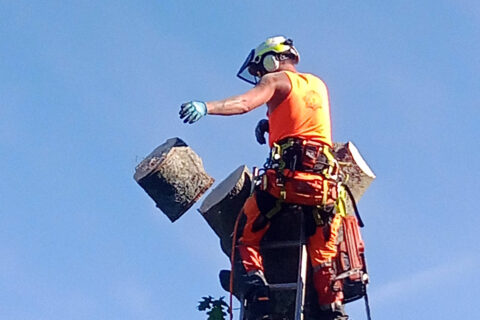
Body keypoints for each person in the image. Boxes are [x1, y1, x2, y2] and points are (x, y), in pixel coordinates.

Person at [180, 36, 348, 320]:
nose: (260, 76)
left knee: (244, 237)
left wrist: (206, 106)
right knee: (323, 257)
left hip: (288, 182)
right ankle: (334, 310)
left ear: (272, 59)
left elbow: (243, 102)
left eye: (260, 69)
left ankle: (259, 299)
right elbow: (303, 118)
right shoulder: (317, 84)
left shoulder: (276, 81)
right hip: (325, 187)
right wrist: (271, 122)